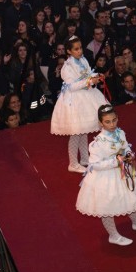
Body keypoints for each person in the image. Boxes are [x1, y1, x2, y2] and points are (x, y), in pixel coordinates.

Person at [75, 105, 136, 246]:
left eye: (114, 120)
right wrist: (117, 161)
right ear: (100, 123)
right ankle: (113, 235)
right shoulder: (97, 143)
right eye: (107, 122)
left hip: (124, 171)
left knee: (130, 195)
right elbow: (95, 164)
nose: (112, 124)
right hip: (106, 178)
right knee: (107, 206)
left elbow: (126, 147)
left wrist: (130, 154)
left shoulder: (120, 133)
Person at [50, 36, 108, 173]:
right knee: (76, 132)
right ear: (69, 51)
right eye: (76, 49)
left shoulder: (83, 59)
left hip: (86, 95)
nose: (79, 51)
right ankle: (73, 163)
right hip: (74, 100)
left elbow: (87, 73)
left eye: (80, 48)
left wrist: (96, 76)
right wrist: (88, 82)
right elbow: (71, 86)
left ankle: (85, 158)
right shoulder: (67, 66)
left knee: (84, 130)